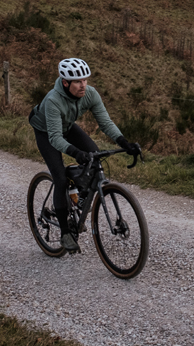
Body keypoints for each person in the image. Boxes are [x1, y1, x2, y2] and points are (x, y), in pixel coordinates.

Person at [29, 57, 140, 253]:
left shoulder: (90, 94)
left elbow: (105, 123)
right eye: (78, 82)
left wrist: (124, 142)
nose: (83, 85)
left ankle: (79, 196)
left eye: (85, 80)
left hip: (67, 126)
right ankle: (65, 232)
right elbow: (55, 138)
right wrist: (75, 152)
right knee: (60, 178)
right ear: (65, 83)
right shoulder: (54, 100)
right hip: (46, 132)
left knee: (94, 155)